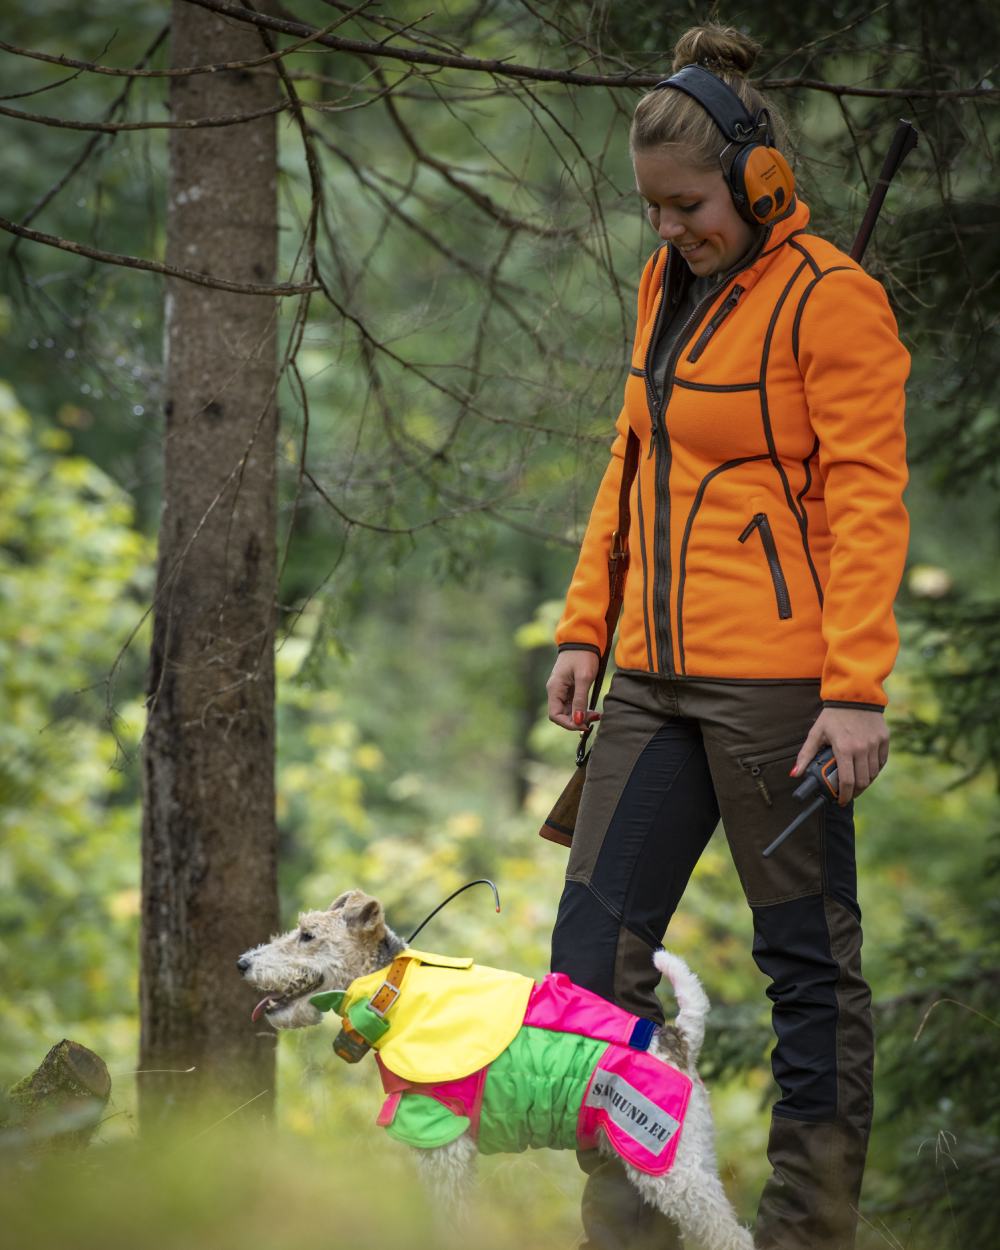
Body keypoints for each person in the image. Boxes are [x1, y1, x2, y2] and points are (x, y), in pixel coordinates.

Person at [545, 22, 909, 1250]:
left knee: (806, 972)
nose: (668, 229)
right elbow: (630, 454)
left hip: (779, 691)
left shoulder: (836, 304)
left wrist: (853, 687)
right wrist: (585, 624)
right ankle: (632, 1231)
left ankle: (807, 1233)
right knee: (591, 962)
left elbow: (868, 502)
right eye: (651, 208)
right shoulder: (668, 284)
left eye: (687, 204)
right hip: (646, 675)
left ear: (757, 182)